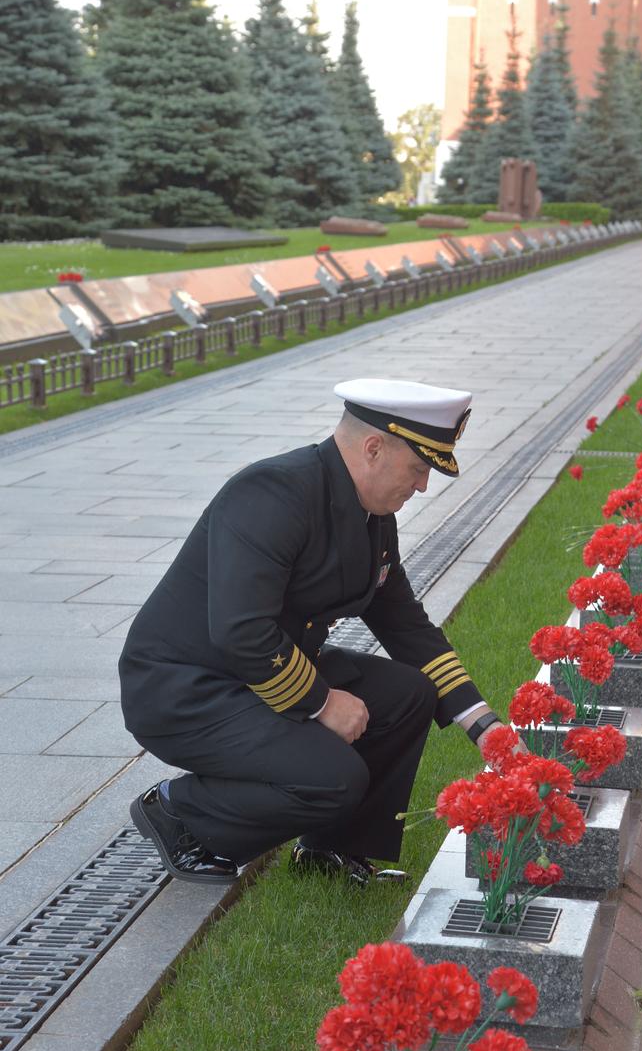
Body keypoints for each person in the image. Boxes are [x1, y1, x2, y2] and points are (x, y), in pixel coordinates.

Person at [118, 378, 507, 887]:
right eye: (417, 469)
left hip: (259, 673)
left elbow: (403, 621)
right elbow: (242, 630)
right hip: (187, 688)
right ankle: (179, 812)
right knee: (333, 779)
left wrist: (484, 725)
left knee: (410, 694)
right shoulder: (273, 493)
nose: (422, 486)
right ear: (373, 448)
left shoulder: (369, 512)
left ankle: (333, 848)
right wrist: (323, 703)